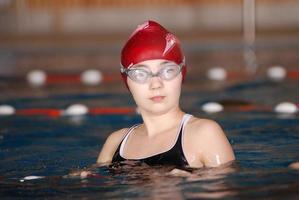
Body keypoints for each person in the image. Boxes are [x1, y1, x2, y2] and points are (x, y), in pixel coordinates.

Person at [97, 20, 235, 168]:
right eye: (140, 73)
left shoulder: (204, 134)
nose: (156, 84)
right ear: (127, 81)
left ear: (182, 74)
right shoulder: (116, 142)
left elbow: (225, 186)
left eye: (168, 70)